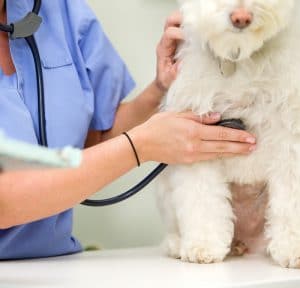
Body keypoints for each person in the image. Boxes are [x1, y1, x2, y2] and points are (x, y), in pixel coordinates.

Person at [0, 0, 256, 260]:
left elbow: (95, 140)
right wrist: (139, 146)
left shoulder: (59, 10)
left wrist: (161, 88)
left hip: (58, 264)